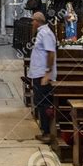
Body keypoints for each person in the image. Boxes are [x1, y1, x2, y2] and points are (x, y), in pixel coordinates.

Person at [28, 11, 57, 144]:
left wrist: (47, 72)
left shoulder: (45, 33)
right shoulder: (42, 32)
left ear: (38, 21)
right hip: (38, 73)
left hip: (42, 75)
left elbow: (51, 53)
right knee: (40, 102)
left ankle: (47, 133)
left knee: (43, 103)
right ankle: (45, 130)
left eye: (33, 21)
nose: (31, 23)